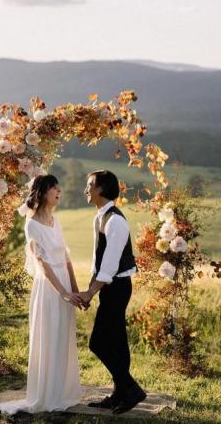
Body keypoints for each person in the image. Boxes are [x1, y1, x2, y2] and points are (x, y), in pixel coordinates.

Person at [0, 174, 85, 414]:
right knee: (49, 336)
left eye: (58, 187)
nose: (59, 191)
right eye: (54, 188)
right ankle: (47, 394)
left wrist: (75, 291)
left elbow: (66, 258)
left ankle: (62, 390)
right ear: (42, 192)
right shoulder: (31, 223)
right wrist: (64, 292)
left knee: (63, 337)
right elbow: (42, 264)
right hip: (49, 287)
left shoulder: (55, 220)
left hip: (64, 283)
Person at [77, 169, 147, 414]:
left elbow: (109, 267)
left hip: (117, 287)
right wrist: (89, 290)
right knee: (117, 342)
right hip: (110, 286)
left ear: (102, 189)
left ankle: (132, 389)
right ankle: (120, 394)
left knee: (98, 343)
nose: (86, 189)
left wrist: (89, 294)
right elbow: (99, 262)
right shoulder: (101, 217)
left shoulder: (115, 221)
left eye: (90, 185)